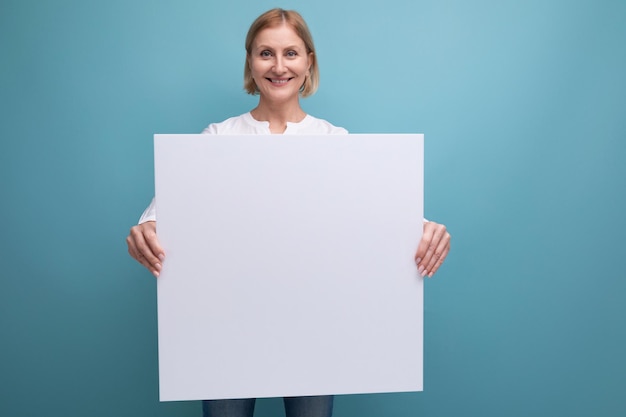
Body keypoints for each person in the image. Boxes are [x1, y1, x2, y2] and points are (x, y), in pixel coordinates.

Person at [126, 8, 451, 417]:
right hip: (227, 326)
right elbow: (159, 218)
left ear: (309, 61)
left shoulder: (337, 143)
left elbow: (383, 218)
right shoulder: (217, 138)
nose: (279, 66)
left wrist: (426, 230)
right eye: (266, 53)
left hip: (314, 328)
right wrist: (144, 230)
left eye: (291, 53)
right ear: (250, 61)